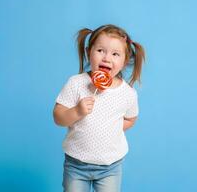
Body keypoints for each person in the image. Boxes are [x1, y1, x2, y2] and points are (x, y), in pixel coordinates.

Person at [53, 24, 145, 192]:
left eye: (115, 54)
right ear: (89, 52)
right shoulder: (76, 83)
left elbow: (132, 118)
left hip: (110, 167)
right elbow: (58, 117)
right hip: (76, 164)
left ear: (124, 62)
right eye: (100, 50)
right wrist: (76, 112)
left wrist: (113, 127)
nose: (107, 58)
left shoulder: (127, 93)